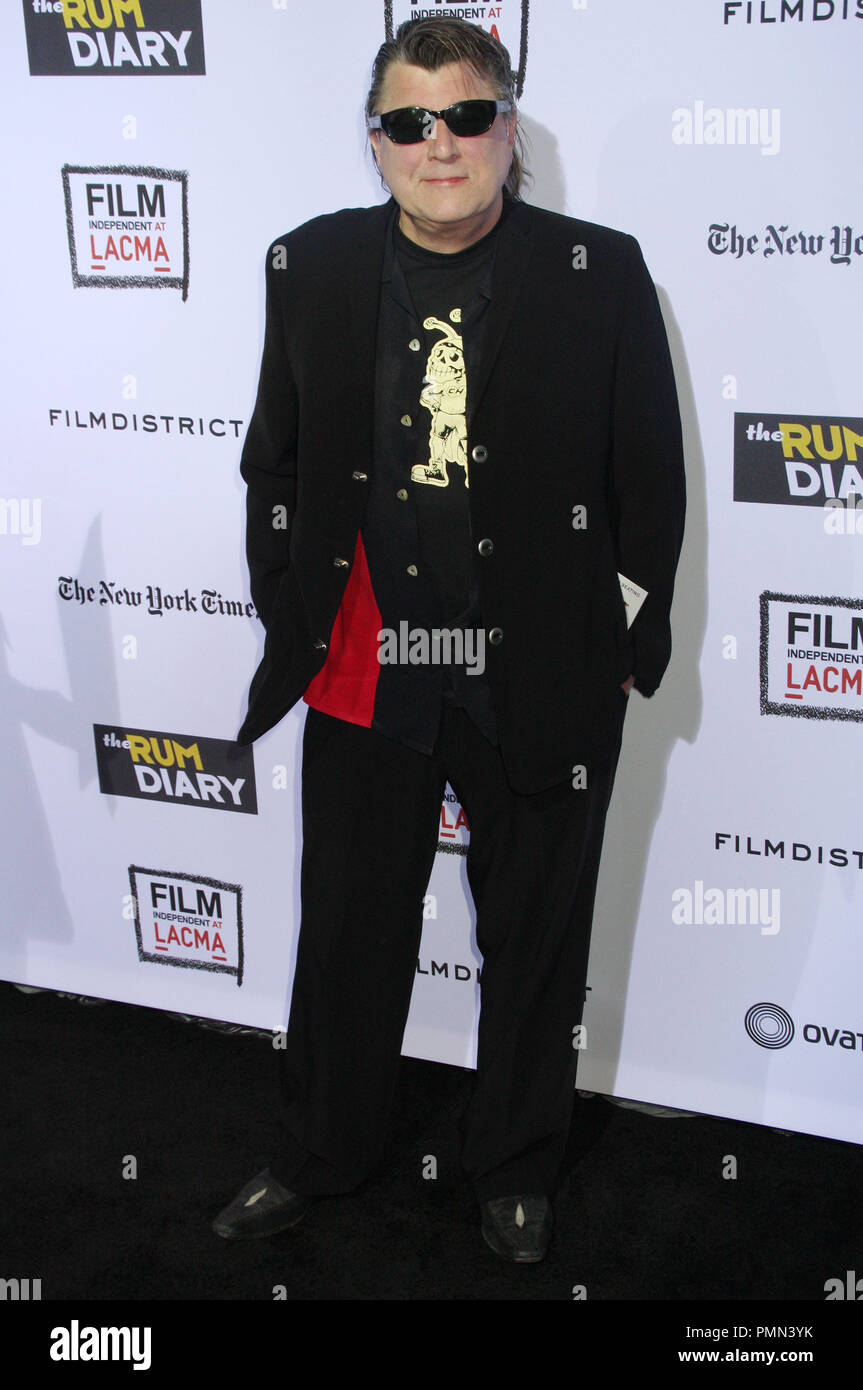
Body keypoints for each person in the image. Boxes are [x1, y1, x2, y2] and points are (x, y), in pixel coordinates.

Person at [213, 16, 685, 1263]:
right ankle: (324, 1149)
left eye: (466, 116)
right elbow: (279, 456)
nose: (440, 144)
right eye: (410, 121)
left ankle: (514, 1163)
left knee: (534, 935)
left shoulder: (600, 269)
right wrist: (288, 607)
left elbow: (647, 469)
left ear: (505, 131)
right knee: (348, 922)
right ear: (375, 142)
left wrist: (621, 636)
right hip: (370, 657)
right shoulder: (307, 267)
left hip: (532, 666)